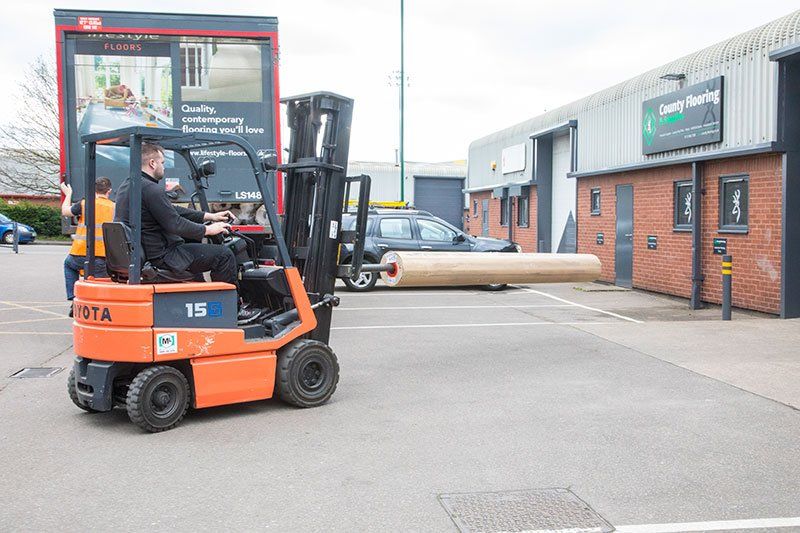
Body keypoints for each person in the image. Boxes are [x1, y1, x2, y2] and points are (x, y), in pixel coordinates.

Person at [114, 142, 260, 323]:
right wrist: (207, 229)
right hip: (163, 256)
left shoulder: (129, 186)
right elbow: (175, 223)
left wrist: (210, 216)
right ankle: (233, 311)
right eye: (162, 163)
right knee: (223, 255)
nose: (163, 167)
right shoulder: (151, 189)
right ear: (152, 163)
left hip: (149, 253)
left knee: (197, 262)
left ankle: (205, 310)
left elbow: (172, 210)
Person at [61, 177, 116, 316]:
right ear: (109, 191)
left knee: (68, 265)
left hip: (79, 253)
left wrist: (68, 194)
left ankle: (74, 299)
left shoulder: (84, 204)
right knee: (100, 287)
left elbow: (65, 212)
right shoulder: (114, 207)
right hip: (102, 257)